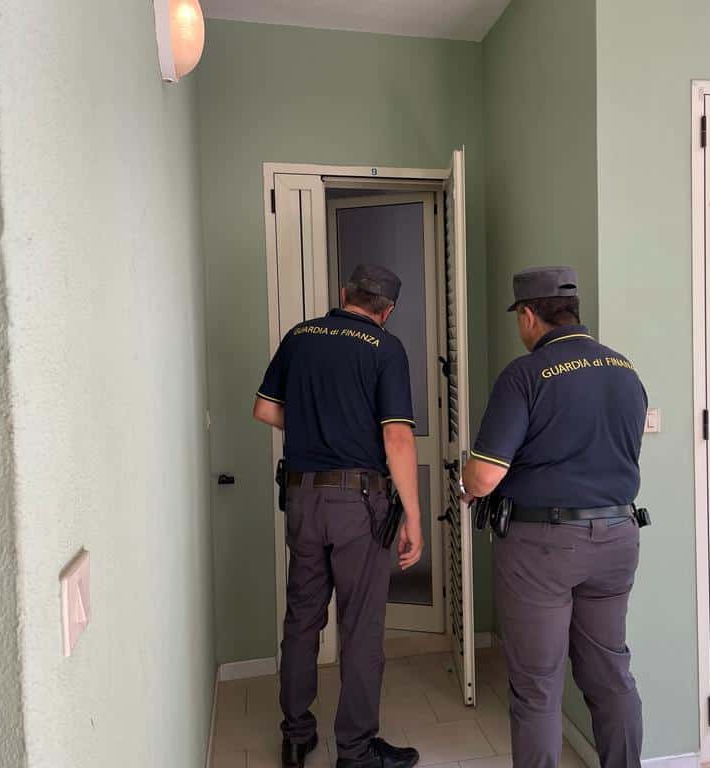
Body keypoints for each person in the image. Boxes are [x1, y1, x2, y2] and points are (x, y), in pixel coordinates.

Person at [461, 266, 648, 768]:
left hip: (542, 548)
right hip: (618, 537)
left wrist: (465, 480)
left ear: (528, 315)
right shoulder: (625, 369)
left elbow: (483, 477)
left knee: (537, 686)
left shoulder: (525, 375)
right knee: (610, 676)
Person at [253, 264, 424, 768]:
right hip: (358, 505)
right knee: (361, 627)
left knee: (302, 619)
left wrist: (312, 428)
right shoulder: (385, 349)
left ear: (344, 293)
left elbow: (264, 409)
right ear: (387, 310)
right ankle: (355, 750)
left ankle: (295, 737)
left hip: (302, 498)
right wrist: (414, 517)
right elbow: (397, 437)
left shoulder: (300, 336)